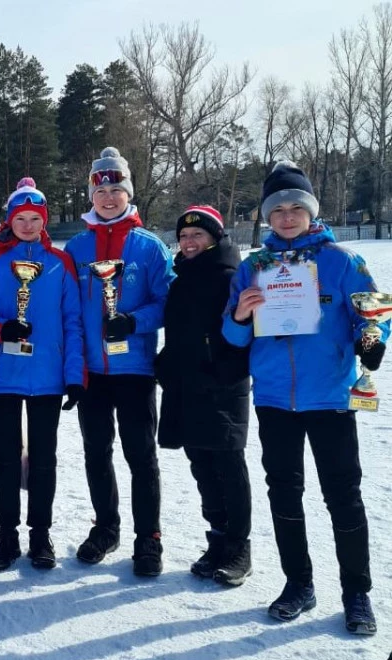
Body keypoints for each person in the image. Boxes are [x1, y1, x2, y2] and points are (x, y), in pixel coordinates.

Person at [223, 160, 386, 635]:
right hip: (274, 399)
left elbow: (372, 315)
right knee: (284, 493)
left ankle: (357, 593)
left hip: (331, 397)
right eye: (278, 209)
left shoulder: (341, 261)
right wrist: (239, 315)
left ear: (311, 212)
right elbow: (233, 340)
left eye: (297, 208)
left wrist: (372, 340)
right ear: (267, 217)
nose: (288, 216)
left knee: (344, 495)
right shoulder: (254, 267)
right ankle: (299, 584)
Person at [64, 147, 174, 577]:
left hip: (135, 370)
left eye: (116, 189)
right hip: (92, 371)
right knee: (96, 453)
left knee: (140, 454)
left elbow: (168, 302)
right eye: (101, 190)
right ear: (92, 195)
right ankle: (106, 527)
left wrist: (134, 322)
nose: (109, 197)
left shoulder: (149, 247)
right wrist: (72, 371)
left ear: (128, 192)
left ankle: (148, 538)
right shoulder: (76, 247)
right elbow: (68, 313)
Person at [0, 178, 85, 571]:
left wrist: (74, 375)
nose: (29, 225)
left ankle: (40, 533)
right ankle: (7, 534)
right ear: (10, 221)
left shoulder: (60, 263)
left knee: (44, 459)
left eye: (36, 218)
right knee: (3, 458)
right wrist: (2, 328)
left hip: (48, 376)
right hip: (2, 374)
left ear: (45, 221)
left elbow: (72, 321)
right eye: (22, 218)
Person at [156, 206, 252, 586]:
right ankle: (217, 539)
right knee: (202, 468)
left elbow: (243, 332)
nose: (190, 241)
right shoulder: (180, 280)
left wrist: (223, 369)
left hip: (222, 386)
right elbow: (178, 334)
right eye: (183, 236)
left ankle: (239, 547)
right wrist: (164, 365)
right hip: (185, 385)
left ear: (215, 237)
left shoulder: (230, 276)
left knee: (228, 467)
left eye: (198, 235)